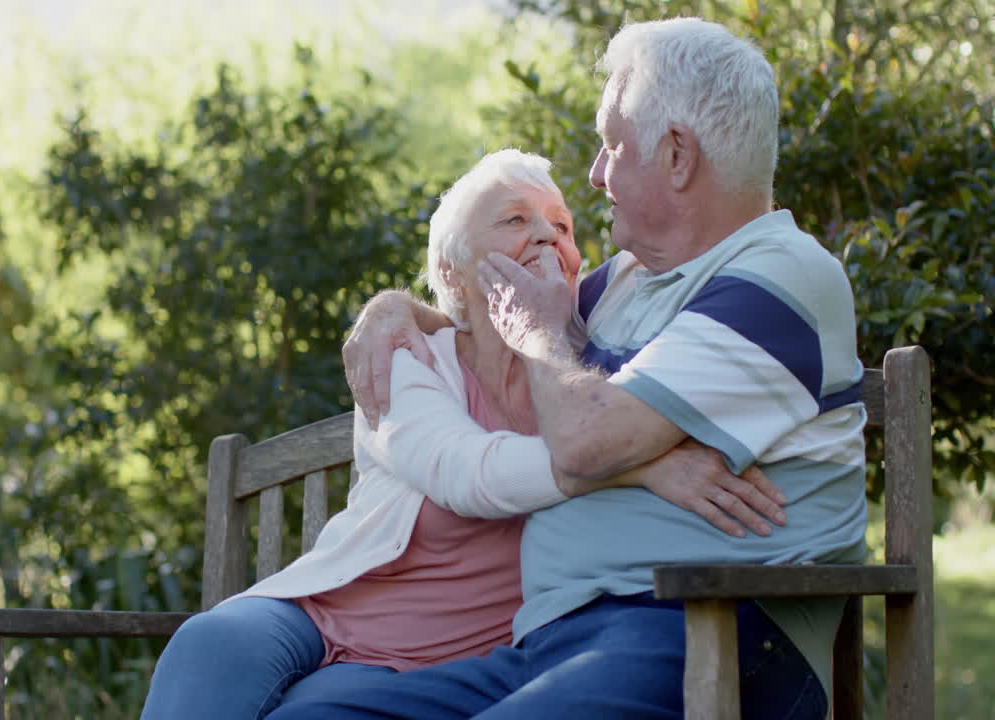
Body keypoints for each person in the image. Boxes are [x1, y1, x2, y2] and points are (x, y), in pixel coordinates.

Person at [276, 17, 867, 720]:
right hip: (552, 644)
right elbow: (497, 322)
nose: (594, 174)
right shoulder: (623, 283)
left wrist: (540, 334)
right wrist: (394, 308)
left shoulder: (781, 277)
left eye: (611, 146)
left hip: (710, 635)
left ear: (677, 156)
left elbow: (585, 440)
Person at [139, 149, 788, 720]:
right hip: (321, 613)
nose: (544, 236)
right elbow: (463, 471)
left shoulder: (596, 365)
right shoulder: (409, 357)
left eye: (561, 227)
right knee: (210, 642)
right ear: (452, 273)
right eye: (513, 221)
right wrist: (635, 466)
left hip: (450, 664)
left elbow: (696, 261)